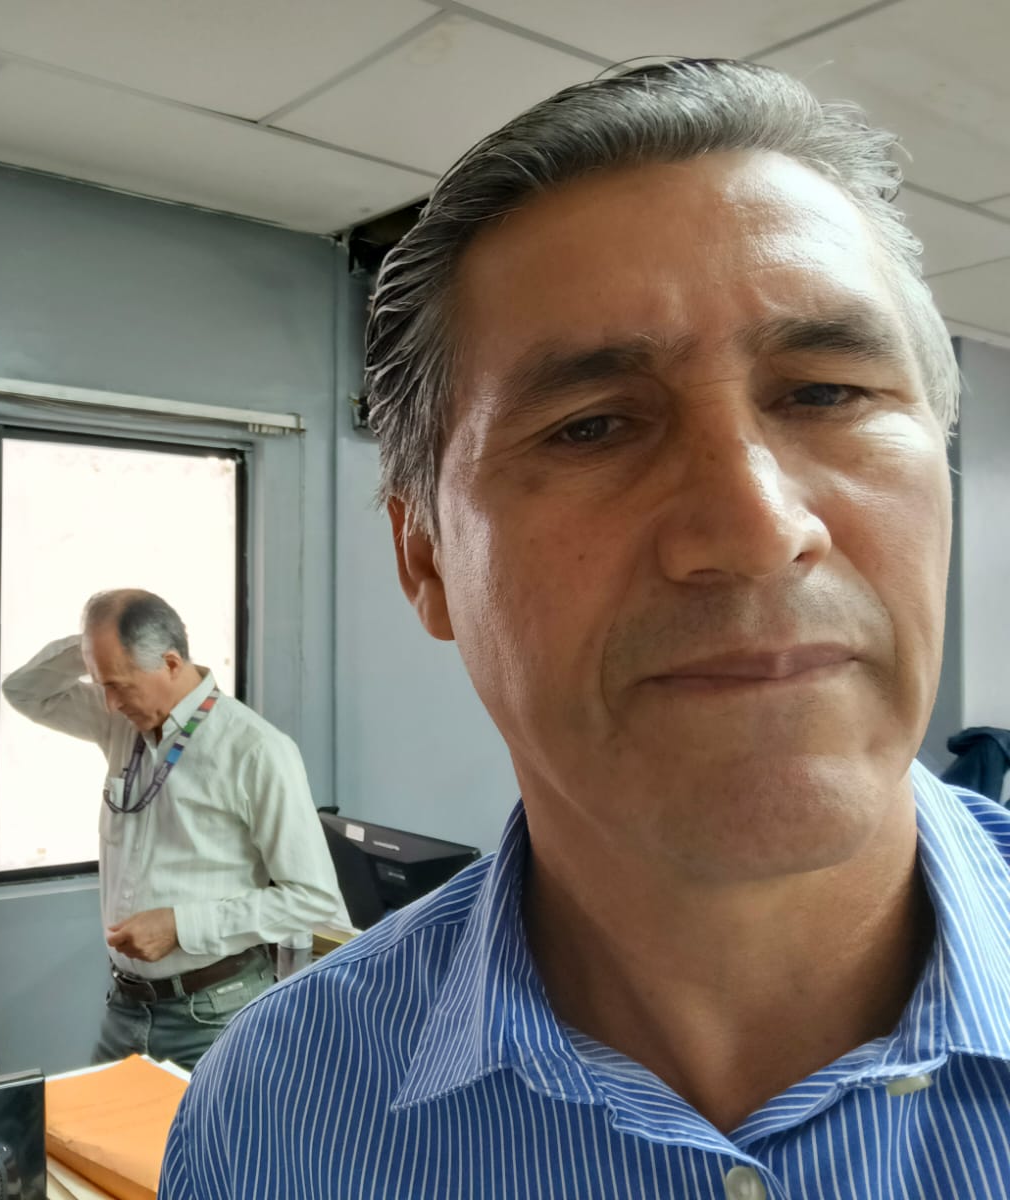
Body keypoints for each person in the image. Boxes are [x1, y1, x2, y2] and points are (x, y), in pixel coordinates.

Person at [162, 57, 1010, 1198]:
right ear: (425, 559)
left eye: (826, 393)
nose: (755, 529)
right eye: (593, 426)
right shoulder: (274, 1119)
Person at [3, 588, 344, 1069]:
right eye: (102, 684)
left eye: (119, 685)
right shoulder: (121, 724)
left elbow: (314, 898)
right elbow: (23, 691)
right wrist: (91, 644)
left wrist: (182, 927)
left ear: (169, 662)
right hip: (125, 1010)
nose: (109, 702)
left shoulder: (255, 749)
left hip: (215, 1015)